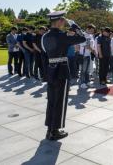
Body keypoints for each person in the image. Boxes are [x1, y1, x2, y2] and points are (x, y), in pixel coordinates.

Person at [41, 11, 86, 140]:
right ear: (60, 21)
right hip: (61, 70)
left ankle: (50, 129)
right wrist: (75, 26)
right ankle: (55, 131)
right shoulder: (62, 36)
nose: (64, 23)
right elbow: (82, 38)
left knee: (52, 101)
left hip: (51, 70)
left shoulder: (45, 37)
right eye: (63, 21)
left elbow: (44, 54)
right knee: (60, 101)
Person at [79, 24, 96, 89]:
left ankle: (87, 81)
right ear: (87, 29)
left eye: (93, 31)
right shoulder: (82, 35)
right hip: (83, 55)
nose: (92, 32)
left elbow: (92, 45)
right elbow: (86, 46)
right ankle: (82, 83)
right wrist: (93, 50)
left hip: (89, 54)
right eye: (91, 30)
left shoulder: (91, 36)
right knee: (83, 70)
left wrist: (93, 50)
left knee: (87, 70)